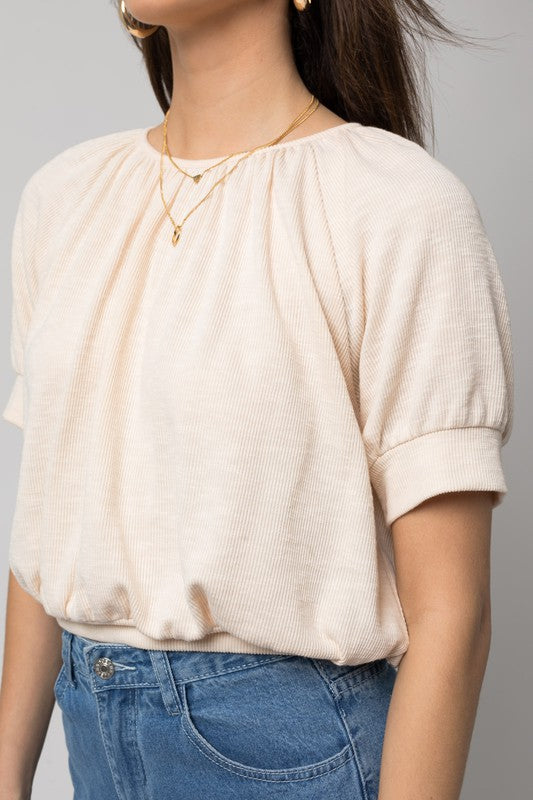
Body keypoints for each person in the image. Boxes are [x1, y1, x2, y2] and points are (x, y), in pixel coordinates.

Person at [0, 1, 514, 798]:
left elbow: (453, 618)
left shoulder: (399, 207)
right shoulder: (64, 199)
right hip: (93, 731)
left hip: (287, 753)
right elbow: (54, 523)